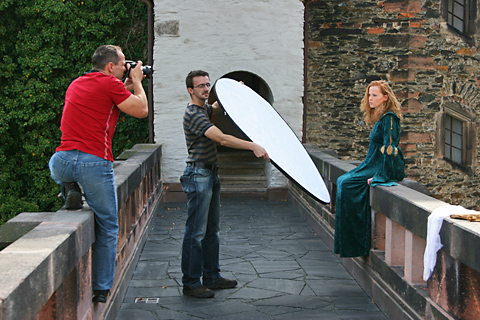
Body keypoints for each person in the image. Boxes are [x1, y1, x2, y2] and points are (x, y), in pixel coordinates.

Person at [49, 45, 148, 303]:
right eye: (123, 62)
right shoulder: (109, 84)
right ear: (110, 67)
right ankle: (102, 289)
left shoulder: (77, 82)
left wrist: (125, 83)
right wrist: (137, 82)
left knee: (57, 164)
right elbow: (141, 110)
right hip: (94, 163)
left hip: (61, 161)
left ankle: (70, 187)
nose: (126, 66)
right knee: (108, 227)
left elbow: (107, 98)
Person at [180, 70, 269, 298]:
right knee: (196, 233)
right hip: (198, 174)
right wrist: (253, 145)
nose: (205, 89)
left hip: (210, 174)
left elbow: (217, 106)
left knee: (212, 231)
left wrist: (235, 91)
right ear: (190, 90)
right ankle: (191, 283)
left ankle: (211, 277)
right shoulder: (194, 114)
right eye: (200, 86)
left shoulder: (204, 109)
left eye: (207, 85)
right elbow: (222, 138)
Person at [334, 80, 405, 258]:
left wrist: (381, 176)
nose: (370, 98)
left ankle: (357, 244)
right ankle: (348, 244)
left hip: (381, 166)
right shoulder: (380, 118)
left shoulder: (390, 118)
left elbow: (390, 149)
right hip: (371, 163)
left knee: (348, 184)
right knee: (342, 180)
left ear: (385, 97)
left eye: (374, 95)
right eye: (369, 95)